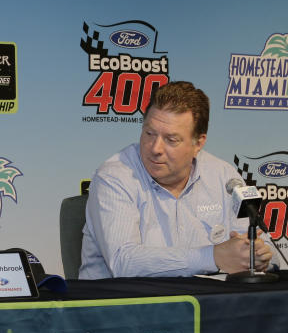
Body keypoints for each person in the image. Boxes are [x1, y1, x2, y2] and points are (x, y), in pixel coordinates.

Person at [79, 81, 273, 279]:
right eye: (149, 133)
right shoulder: (114, 177)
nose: (155, 148)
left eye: (171, 140)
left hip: (202, 303)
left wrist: (256, 255)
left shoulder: (223, 175)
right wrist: (214, 256)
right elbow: (123, 262)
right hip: (122, 304)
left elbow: (265, 250)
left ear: (198, 143)